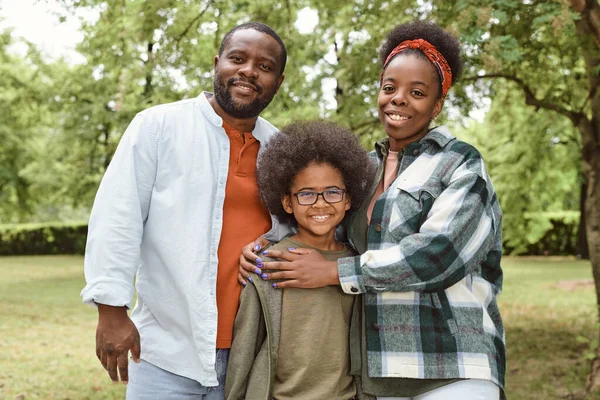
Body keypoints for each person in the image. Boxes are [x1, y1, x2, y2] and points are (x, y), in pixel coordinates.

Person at [240, 21, 506, 400]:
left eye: (417, 92)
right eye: (389, 88)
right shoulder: (362, 171)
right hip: (381, 371)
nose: (398, 99)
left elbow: (439, 255)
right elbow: (321, 220)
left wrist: (335, 272)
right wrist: (263, 246)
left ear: (437, 104)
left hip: (455, 365)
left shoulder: (461, 164)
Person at [80, 22, 289, 400]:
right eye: (237, 59)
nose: (248, 71)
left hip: (252, 352)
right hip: (166, 351)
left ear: (278, 80)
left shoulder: (281, 148)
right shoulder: (159, 126)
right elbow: (117, 218)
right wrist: (111, 310)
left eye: (265, 66)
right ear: (217, 63)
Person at [225, 121, 375, 400]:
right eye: (306, 194)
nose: (320, 204)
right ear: (287, 202)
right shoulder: (268, 263)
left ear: (348, 199)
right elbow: (245, 348)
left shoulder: (357, 265)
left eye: (332, 192)